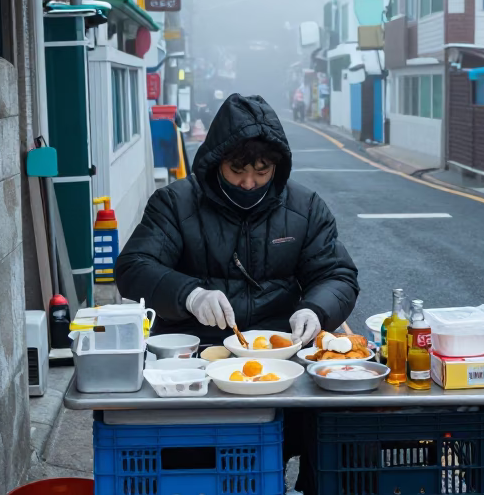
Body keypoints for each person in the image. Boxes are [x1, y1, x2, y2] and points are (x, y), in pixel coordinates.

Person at [114, 93, 359, 344]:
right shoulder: (175, 203)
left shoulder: (305, 207)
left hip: (278, 345)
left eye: (262, 172)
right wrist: (190, 295)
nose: (249, 183)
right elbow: (134, 267)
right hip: (194, 346)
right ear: (217, 162)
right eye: (237, 171)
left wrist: (316, 310)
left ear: (277, 166)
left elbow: (336, 274)